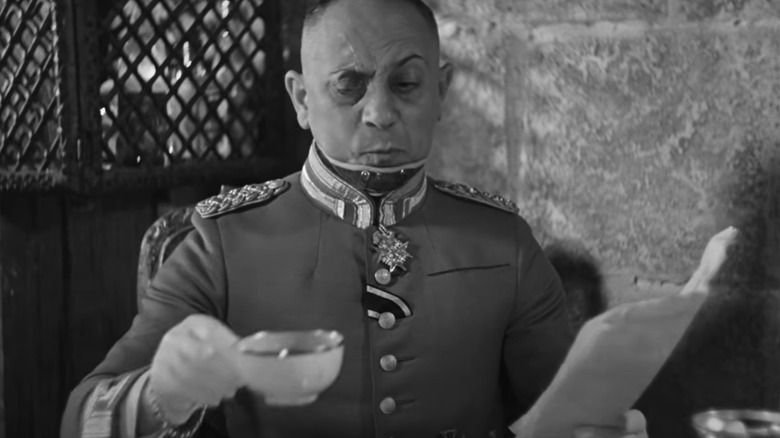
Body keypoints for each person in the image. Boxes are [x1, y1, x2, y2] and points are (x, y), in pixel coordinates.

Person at [61, 0, 649, 437]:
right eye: (349, 85)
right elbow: (79, 417)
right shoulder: (222, 241)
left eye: (407, 83)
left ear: (441, 91)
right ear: (300, 99)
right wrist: (161, 393)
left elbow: (564, 410)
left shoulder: (501, 241)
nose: (380, 113)